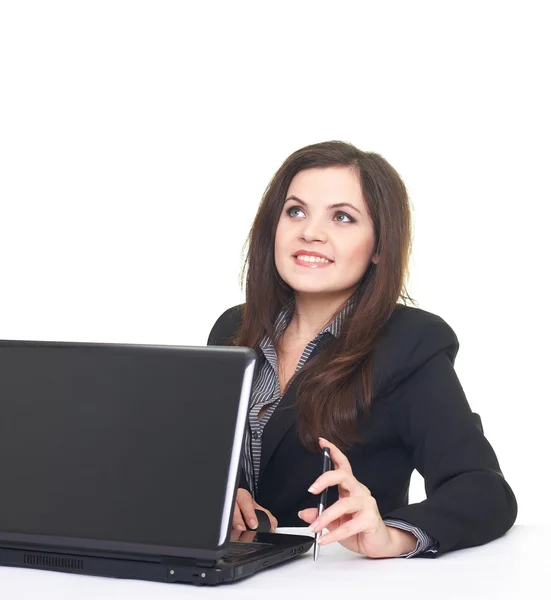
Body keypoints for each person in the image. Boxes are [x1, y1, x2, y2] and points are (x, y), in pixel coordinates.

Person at [207, 140, 517, 558]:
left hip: (337, 578)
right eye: (295, 211)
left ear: (378, 247)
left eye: (342, 217)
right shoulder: (233, 329)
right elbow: (204, 463)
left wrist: (392, 536)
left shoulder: (411, 341)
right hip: (224, 575)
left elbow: (483, 490)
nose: (310, 232)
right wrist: (224, 500)